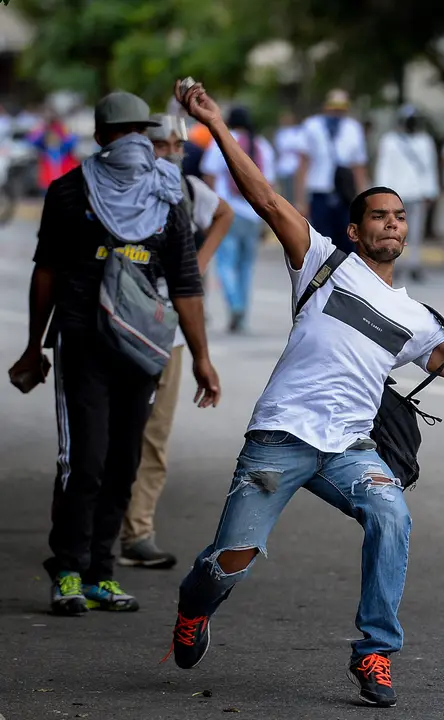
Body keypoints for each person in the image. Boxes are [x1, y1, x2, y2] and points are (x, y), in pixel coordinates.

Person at [166, 80, 444, 708]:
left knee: (390, 512)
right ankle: (194, 607)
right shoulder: (322, 262)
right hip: (281, 435)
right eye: (378, 216)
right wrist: (217, 124)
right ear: (356, 229)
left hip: (349, 447)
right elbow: (262, 194)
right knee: (231, 560)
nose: (391, 223)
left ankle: (374, 652)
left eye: (399, 217)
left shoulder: (415, 317)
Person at [6, 91, 220, 616]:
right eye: (120, 134)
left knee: (124, 460)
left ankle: (101, 573)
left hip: (142, 348)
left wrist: (200, 357)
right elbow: (46, 274)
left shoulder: (168, 195)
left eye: (138, 134)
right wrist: (34, 346)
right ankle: (69, 569)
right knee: (86, 461)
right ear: (101, 139)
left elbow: (185, 282)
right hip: (81, 344)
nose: (131, 144)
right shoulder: (69, 192)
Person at [119, 113, 234, 569]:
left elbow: (223, 213)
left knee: (154, 437)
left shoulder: (188, 191)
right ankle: (87, 538)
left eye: (176, 147)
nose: (169, 154)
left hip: (169, 335)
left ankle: (137, 532)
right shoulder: (120, 189)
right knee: (107, 435)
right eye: (160, 146)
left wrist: (198, 261)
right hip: (119, 329)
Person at [200, 106, 276, 333]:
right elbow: (269, 185)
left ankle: (235, 304)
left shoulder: (221, 141)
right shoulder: (262, 145)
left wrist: (211, 210)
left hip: (228, 213)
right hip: (254, 214)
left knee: (225, 263)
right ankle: (241, 317)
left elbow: (209, 175)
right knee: (245, 267)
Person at [294, 89, 370, 254]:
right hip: (320, 190)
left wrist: (363, 199)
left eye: (341, 108)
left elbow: (358, 167)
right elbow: (302, 164)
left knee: (347, 242)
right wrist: (300, 199)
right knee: (321, 242)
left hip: (345, 194)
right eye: (334, 108)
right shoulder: (312, 126)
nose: (337, 112)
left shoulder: (352, 129)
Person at [374, 105, 439, 282]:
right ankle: (395, 264)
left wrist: (430, 191)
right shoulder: (390, 141)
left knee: (415, 233)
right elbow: (384, 167)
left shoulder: (424, 141)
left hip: (416, 193)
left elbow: (429, 168)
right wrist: (381, 193)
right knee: (394, 232)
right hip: (396, 196)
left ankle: (414, 264)